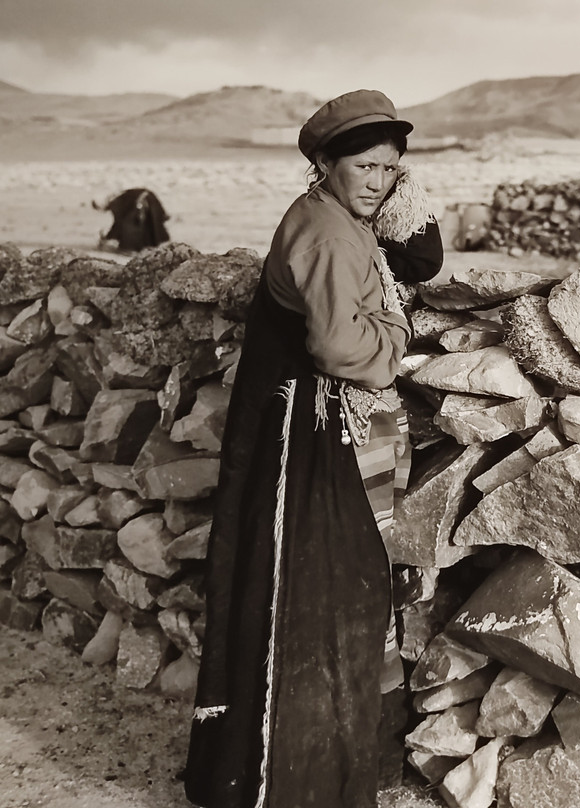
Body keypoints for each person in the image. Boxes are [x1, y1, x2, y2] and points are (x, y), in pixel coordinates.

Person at [183, 89, 443, 808]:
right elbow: (340, 347)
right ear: (325, 163)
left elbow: (423, 257)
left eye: (390, 168)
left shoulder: (335, 216)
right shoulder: (329, 235)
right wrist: (394, 339)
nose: (378, 181)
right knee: (316, 589)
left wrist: (402, 193)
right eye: (364, 165)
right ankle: (297, 778)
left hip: (303, 424)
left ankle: (295, 768)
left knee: (310, 586)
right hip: (310, 437)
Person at [92, 187, 171, 252]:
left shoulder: (114, 203)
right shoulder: (117, 196)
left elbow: (118, 223)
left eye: (99, 207)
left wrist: (107, 238)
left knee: (128, 228)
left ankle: (134, 249)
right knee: (153, 227)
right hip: (151, 200)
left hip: (144, 204)